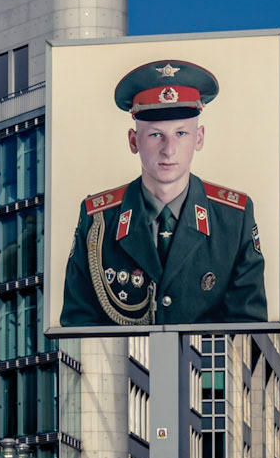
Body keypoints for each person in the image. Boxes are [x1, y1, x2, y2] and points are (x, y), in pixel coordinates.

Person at [61, 59, 268, 328]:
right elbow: (77, 327)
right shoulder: (98, 219)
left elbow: (249, 331)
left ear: (199, 138)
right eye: (156, 135)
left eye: (181, 133)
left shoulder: (233, 218)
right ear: (133, 141)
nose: (169, 150)